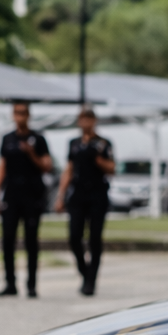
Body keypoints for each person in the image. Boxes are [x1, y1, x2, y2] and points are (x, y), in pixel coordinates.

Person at [0, 101, 52, 298]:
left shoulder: (38, 139)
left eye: (23, 113)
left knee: (31, 240)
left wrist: (31, 154)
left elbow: (47, 166)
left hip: (32, 194)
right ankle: (10, 283)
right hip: (12, 194)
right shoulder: (7, 139)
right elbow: (2, 168)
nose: (20, 116)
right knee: (8, 239)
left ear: (28, 115)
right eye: (17, 113)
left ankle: (31, 284)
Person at [55, 107, 115, 296]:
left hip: (97, 194)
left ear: (94, 121)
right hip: (78, 194)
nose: (85, 123)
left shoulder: (103, 144)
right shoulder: (74, 144)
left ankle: (91, 280)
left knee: (94, 238)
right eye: (82, 119)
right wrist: (61, 195)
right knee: (74, 236)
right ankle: (84, 271)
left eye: (89, 119)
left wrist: (98, 159)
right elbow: (69, 169)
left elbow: (112, 168)